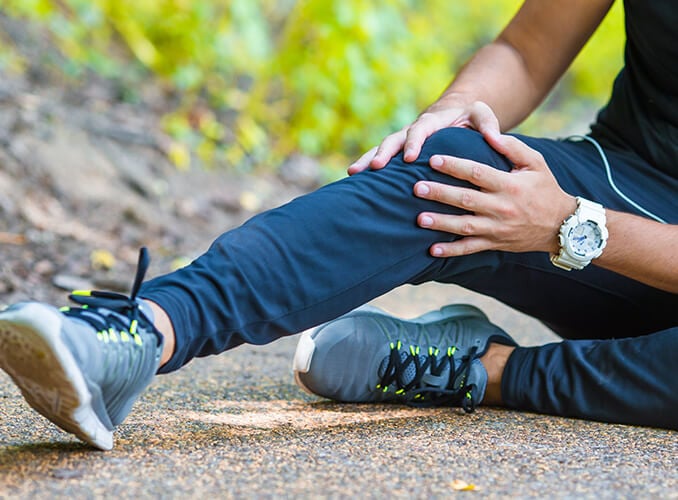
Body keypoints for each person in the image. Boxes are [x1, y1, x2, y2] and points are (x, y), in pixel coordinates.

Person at [0, 0, 676, 451]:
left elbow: (569, 220)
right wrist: (452, 114)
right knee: (456, 168)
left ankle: (486, 370)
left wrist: (568, 224)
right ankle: (140, 336)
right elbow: (528, 51)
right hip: (636, 184)